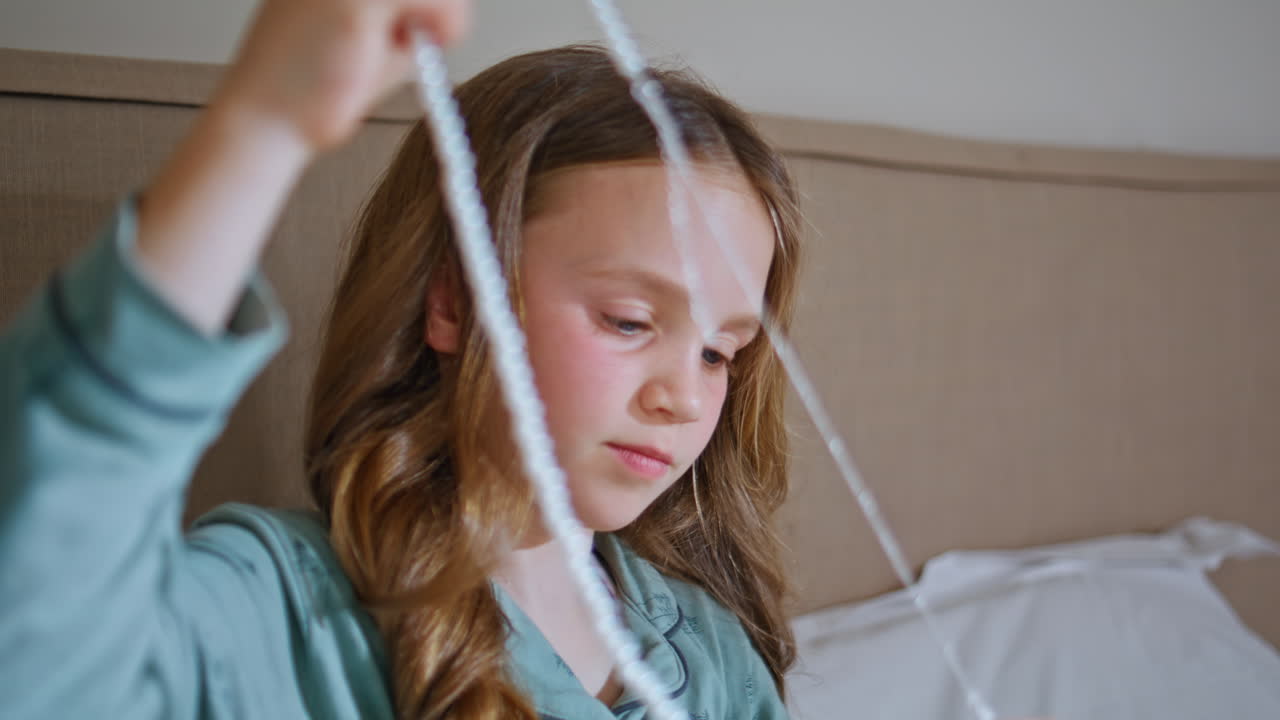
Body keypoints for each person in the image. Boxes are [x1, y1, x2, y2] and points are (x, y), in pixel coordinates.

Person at [0, 0, 804, 717]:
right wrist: (263, 125)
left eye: (717, 351)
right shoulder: (292, 613)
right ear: (454, 302)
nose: (686, 398)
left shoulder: (714, 659)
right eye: (629, 321)